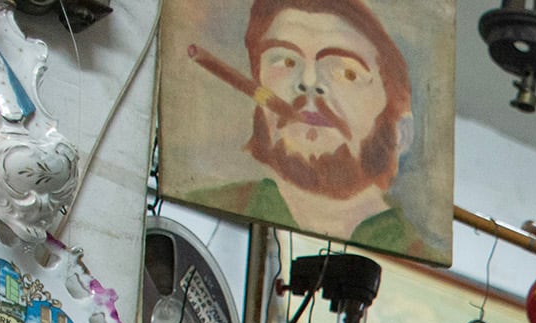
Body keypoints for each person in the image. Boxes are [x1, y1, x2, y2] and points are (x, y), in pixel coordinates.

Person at [176, 0, 424, 255]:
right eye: (285, 61)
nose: (308, 81)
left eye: (347, 72)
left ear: (400, 132)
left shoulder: (416, 259)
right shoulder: (210, 207)